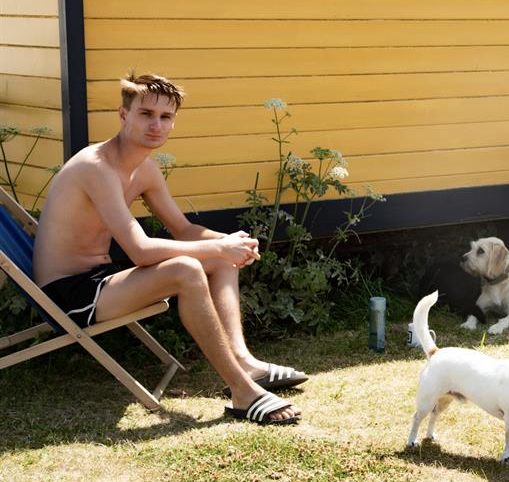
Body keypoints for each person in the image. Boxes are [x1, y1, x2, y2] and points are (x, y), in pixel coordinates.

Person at [33, 72, 306, 425]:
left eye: (165, 117)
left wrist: (229, 242)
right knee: (189, 268)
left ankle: (245, 362)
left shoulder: (144, 168)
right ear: (123, 115)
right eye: (146, 114)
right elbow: (141, 251)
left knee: (218, 259)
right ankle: (243, 392)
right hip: (67, 295)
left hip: (101, 281)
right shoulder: (95, 167)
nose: (156, 125)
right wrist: (218, 249)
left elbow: (184, 229)